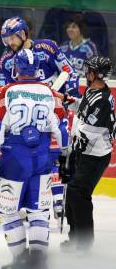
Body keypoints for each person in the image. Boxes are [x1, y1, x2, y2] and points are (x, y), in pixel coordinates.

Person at [0, 49, 68, 269]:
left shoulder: (6, 91)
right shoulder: (50, 92)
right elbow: (62, 132)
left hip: (14, 157)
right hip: (42, 157)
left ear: (16, 68)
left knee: (9, 210)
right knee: (38, 210)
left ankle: (20, 260)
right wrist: (65, 156)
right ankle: (38, 260)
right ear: (37, 67)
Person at [0, 16, 75, 224]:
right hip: (25, 116)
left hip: (51, 108)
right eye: (6, 40)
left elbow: (68, 71)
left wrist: (52, 94)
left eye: (12, 38)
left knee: (56, 151)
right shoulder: (6, 60)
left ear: (23, 34)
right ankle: (31, 202)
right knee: (33, 153)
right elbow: (2, 91)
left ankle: (56, 200)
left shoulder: (47, 48)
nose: (9, 44)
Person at [59, 56, 115, 252]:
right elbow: (83, 106)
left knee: (77, 193)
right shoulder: (93, 91)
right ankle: (75, 238)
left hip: (95, 156)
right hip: (84, 151)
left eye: (89, 70)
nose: (86, 73)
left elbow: (88, 131)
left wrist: (68, 141)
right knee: (71, 194)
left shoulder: (103, 101)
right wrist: (66, 100)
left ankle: (84, 243)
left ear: (96, 74)